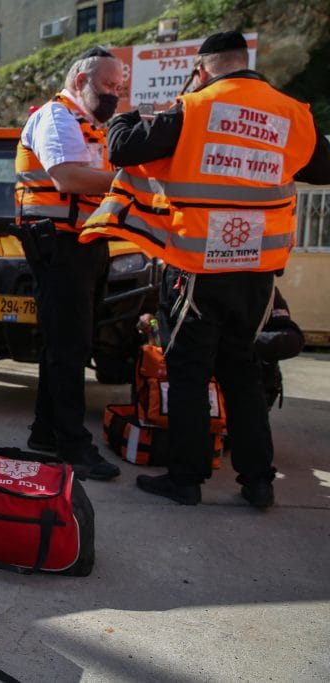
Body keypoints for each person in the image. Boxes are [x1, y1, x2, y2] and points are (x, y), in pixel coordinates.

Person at [80, 31, 330, 507]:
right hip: (258, 270)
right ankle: (258, 482)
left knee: (190, 373)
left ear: (203, 68)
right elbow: (322, 168)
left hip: (199, 266)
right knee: (243, 370)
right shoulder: (291, 112)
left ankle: (187, 479)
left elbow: (124, 150)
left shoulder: (195, 107)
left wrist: (128, 116)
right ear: (245, 62)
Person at [14, 46, 124, 480]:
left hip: (82, 243)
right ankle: (73, 445)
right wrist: (129, 182)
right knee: (68, 346)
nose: (115, 93)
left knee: (63, 344)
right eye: (108, 85)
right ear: (81, 80)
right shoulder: (57, 118)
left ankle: (46, 433)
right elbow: (68, 177)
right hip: (59, 245)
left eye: (119, 86)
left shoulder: (92, 126)